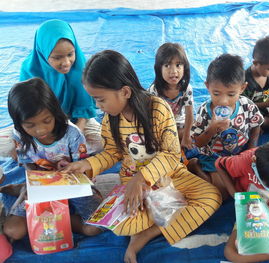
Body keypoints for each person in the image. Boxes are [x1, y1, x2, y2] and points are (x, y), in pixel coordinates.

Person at [62, 50, 222, 263]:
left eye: (100, 100)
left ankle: (148, 233)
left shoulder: (158, 109)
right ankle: (154, 222)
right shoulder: (111, 120)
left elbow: (171, 154)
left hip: (171, 175)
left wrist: (142, 177)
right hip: (134, 185)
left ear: (125, 92)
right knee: (121, 226)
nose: (98, 107)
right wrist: (86, 164)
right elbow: (112, 152)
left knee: (212, 198)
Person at [3, 77, 102, 241]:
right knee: (13, 231)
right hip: (42, 184)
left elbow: (85, 168)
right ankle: (24, 189)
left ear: (55, 112)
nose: (40, 130)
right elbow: (27, 161)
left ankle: (54, 218)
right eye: (30, 125)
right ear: (20, 124)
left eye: (46, 121)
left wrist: (69, 173)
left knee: (95, 228)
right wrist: (38, 181)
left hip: (72, 183)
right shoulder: (19, 134)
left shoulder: (72, 134)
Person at [19, 19, 102, 153]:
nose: (66, 63)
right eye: (57, 57)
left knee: (103, 143)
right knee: (7, 144)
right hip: (40, 122)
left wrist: (76, 133)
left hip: (77, 118)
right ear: (43, 54)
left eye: (70, 54)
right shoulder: (30, 70)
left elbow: (84, 106)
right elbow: (26, 110)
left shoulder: (81, 67)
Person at [189, 54, 263, 197]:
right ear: (207, 87)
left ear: (242, 88)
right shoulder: (204, 111)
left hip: (241, 154)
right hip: (214, 158)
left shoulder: (246, 105)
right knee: (223, 194)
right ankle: (195, 166)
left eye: (231, 94)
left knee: (255, 182)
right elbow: (197, 142)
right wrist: (211, 129)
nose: (223, 101)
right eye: (216, 93)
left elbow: (256, 124)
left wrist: (251, 149)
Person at [149, 43, 194, 149]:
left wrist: (186, 137)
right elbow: (151, 117)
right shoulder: (154, 90)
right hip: (160, 124)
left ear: (185, 67)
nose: (173, 71)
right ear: (159, 69)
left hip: (179, 123)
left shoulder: (186, 88)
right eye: (167, 65)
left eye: (178, 65)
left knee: (191, 132)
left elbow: (189, 115)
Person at [242, 36, 269, 130]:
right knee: (265, 122)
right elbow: (243, 106)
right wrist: (264, 104)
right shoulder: (245, 82)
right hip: (252, 110)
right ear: (255, 63)